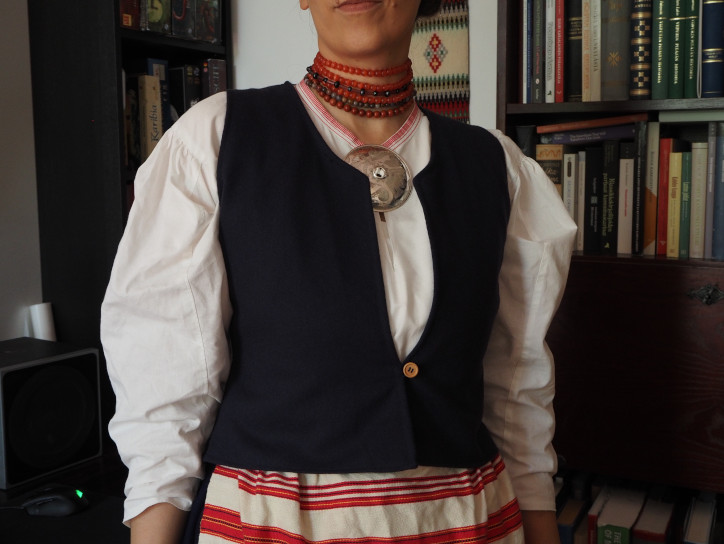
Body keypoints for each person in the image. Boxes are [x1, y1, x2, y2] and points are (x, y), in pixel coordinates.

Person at [101, 1, 576, 543]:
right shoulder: (215, 139)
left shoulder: (498, 167)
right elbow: (163, 381)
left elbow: (517, 388)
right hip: (274, 525)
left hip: (466, 522)